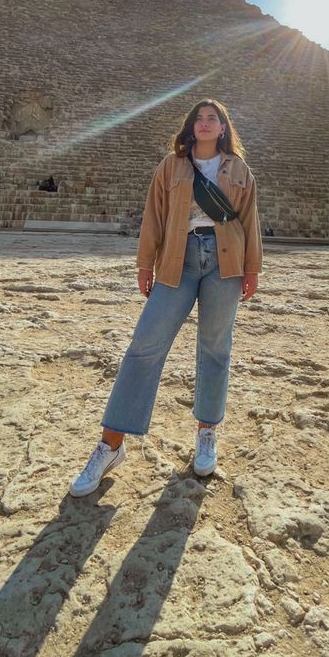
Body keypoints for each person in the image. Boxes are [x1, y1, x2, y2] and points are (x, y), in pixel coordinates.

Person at [69, 99, 262, 496]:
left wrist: (253, 269)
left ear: (223, 128)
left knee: (215, 349)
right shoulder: (170, 167)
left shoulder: (240, 171)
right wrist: (145, 265)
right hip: (178, 261)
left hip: (226, 264)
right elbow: (153, 217)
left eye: (214, 119)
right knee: (144, 346)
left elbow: (250, 221)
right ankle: (111, 444)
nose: (206, 124)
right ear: (191, 127)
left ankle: (207, 431)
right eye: (200, 118)